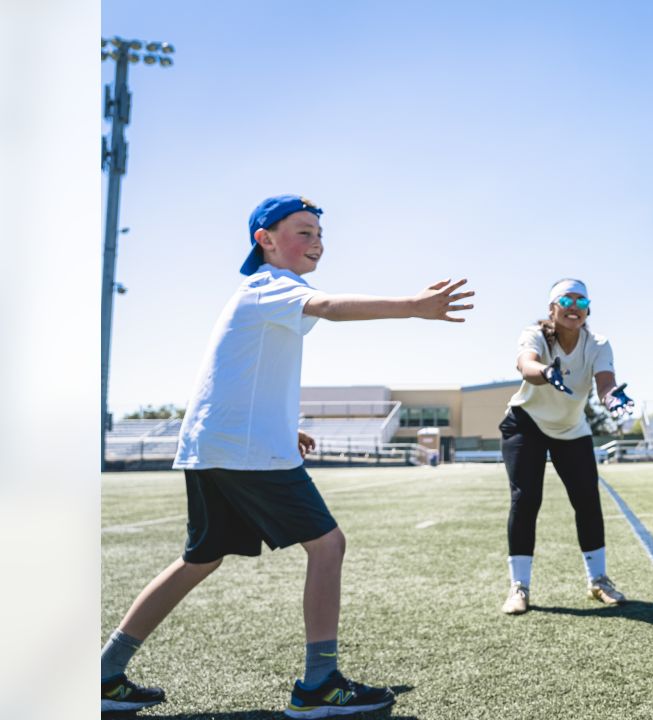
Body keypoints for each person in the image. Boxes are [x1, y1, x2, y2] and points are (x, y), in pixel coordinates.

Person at [100, 195, 475, 717]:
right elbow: (330, 307)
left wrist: (285, 425)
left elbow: (247, 372)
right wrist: (411, 306)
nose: (316, 242)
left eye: (320, 235)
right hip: (241, 450)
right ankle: (319, 683)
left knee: (199, 559)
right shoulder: (271, 285)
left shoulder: (263, 293)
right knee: (328, 545)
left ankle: (103, 672)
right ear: (265, 240)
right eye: (303, 231)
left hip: (219, 444)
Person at [499, 278, 635, 615]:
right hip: (526, 423)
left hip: (571, 428)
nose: (575, 307)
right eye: (567, 300)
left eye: (581, 302)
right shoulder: (534, 335)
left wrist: (612, 399)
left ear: (588, 310)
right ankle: (520, 587)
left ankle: (598, 581)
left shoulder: (599, 343)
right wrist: (546, 371)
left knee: (587, 500)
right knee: (526, 499)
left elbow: (605, 384)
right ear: (552, 308)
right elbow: (525, 365)